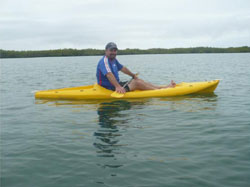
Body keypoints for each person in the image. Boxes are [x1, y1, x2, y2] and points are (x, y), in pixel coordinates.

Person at [96, 42, 176, 94]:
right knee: (137, 83)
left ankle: (163, 88)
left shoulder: (113, 60)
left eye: (115, 50)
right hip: (108, 88)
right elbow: (109, 75)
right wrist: (118, 87)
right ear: (106, 51)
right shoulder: (104, 61)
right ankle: (161, 92)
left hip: (115, 85)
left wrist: (133, 75)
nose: (113, 52)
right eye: (111, 50)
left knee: (137, 80)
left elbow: (123, 68)